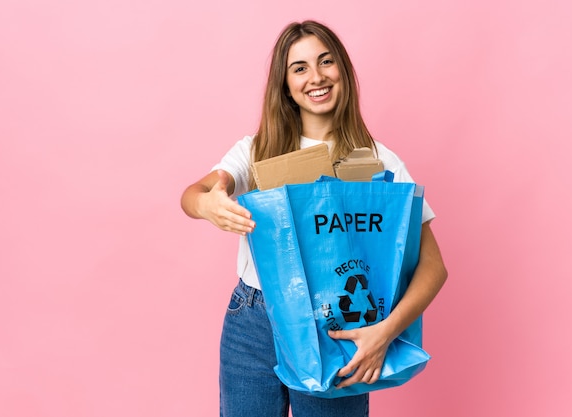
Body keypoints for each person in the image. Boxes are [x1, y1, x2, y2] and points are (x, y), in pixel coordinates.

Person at [180, 20, 447, 417]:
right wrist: (209, 205)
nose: (316, 77)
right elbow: (194, 195)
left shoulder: (380, 162)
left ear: (342, 70)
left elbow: (434, 266)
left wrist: (384, 332)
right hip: (254, 321)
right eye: (299, 68)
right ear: (285, 85)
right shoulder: (256, 152)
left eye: (326, 62)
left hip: (337, 322)